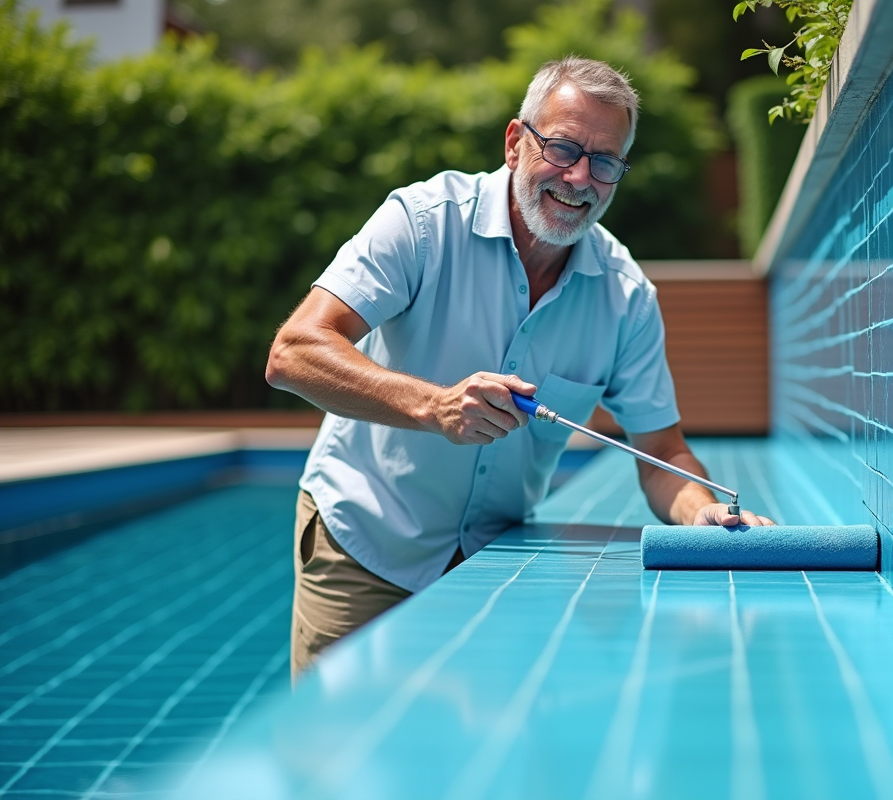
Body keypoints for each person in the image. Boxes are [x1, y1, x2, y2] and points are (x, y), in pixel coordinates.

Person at [266, 56, 775, 680]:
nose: (580, 176)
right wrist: (435, 406)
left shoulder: (627, 297)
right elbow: (294, 351)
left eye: (606, 161)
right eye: (562, 148)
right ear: (515, 142)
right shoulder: (421, 223)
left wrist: (703, 516)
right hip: (366, 545)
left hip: (495, 567)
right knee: (337, 767)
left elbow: (663, 451)